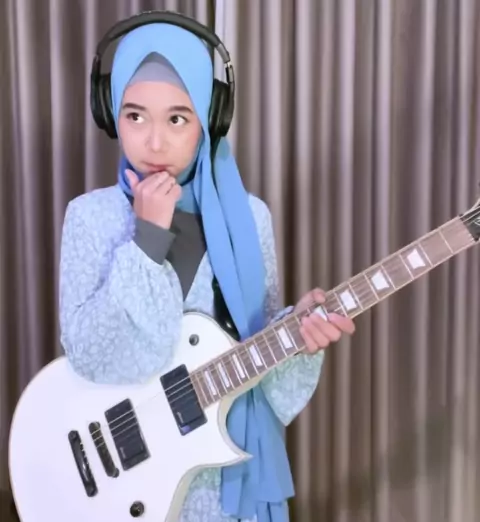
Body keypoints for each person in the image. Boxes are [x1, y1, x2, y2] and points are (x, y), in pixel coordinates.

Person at [58, 11, 356, 522]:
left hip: (226, 478)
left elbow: (255, 355)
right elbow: (89, 355)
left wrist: (298, 334)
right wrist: (147, 240)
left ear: (209, 119)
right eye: (135, 116)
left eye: (177, 119)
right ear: (110, 115)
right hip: (130, 482)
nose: (155, 142)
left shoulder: (251, 218)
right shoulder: (89, 217)